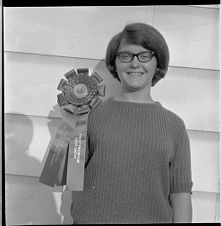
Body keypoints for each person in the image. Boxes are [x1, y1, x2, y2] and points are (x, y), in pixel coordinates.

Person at [70, 22, 193, 224]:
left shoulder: (174, 126)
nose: (135, 63)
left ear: (158, 63)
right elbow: (72, 176)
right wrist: (71, 127)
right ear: (114, 63)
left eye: (145, 55)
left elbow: (180, 194)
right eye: (125, 55)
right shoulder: (90, 115)